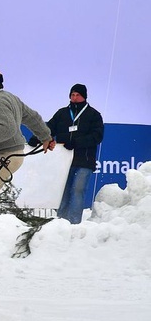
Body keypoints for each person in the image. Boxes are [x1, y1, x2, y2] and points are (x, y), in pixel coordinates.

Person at [0, 65, 55, 225]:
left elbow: (7, 129)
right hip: (11, 155)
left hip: (7, 155)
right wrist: (46, 137)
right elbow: (32, 117)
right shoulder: (10, 98)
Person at [44, 84, 104, 224]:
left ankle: (74, 223)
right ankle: (60, 223)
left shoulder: (94, 115)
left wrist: (77, 142)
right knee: (63, 191)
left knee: (78, 189)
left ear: (84, 96)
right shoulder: (62, 113)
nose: (74, 98)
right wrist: (39, 138)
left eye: (77, 95)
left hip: (84, 160)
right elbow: (49, 128)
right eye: (72, 95)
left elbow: (97, 136)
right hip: (64, 160)